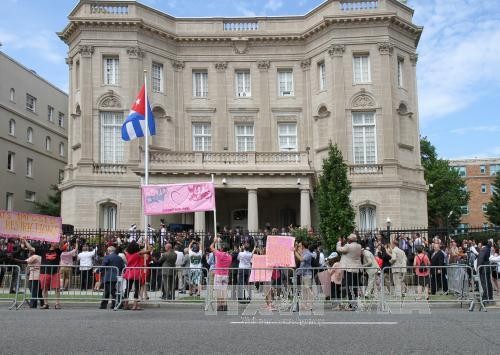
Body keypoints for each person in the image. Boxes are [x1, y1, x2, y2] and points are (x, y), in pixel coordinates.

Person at [23, 238, 65, 309]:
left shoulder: (58, 251)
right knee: (44, 289)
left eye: (57, 242)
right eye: (56, 242)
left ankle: (57, 304)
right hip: (44, 272)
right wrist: (25, 240)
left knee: (57, 289)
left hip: (55, 272)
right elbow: (30, 248)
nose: (57, 244)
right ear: (52, 243)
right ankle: (46, 304)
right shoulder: (44, 250)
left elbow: (62, 245)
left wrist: (60, 237)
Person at [11, 244, 43, 308]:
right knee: (38, 291)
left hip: (34, 277)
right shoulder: (40, 256)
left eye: (30, 250)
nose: (29, 251)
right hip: (38, 276)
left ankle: (33, 304)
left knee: (33, 290)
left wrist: (13, 259)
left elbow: (24, 261)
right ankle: (43, 303)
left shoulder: (34, 256)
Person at [122, 241, 151, 311]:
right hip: (136, 272)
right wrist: (146, 243)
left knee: (128, 289)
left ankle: (126, 304)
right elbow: (149, 251)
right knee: (137, 289)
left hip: (129, 272)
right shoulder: (138, 254)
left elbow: (125, 250)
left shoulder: (127, 254)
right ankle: (135, 305)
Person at [336, 234, 362, 309]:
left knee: (349, 286)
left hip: (349, 269)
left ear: (350, 240)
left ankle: (351, 304)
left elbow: (339, 249)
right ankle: (355, 303)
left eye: (348, 239)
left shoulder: (348, 246)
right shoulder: (359, 246)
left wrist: (339, 242)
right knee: (355, 287)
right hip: (356, 269)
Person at [210, 237, 233, 311]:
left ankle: (219, 305)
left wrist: (214, 241)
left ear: (222, 248)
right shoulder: (229, 256)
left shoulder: (219, 254)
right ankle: (225, 305)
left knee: (218, 290)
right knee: (224, 290)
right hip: (225, 275)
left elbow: (211, 247)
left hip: (219, 274)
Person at [294, 241, 314, 311]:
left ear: (303, 246)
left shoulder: (308, 253)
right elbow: (299, 254)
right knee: (304, 290)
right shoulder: (304, 253)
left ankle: (310, 305)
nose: (299, 247)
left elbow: (301, 259)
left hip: (307, 274)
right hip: (303, 274)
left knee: (308, 289)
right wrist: (295, 249)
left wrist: (295, 251)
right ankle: (304, 305)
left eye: (300, 246)